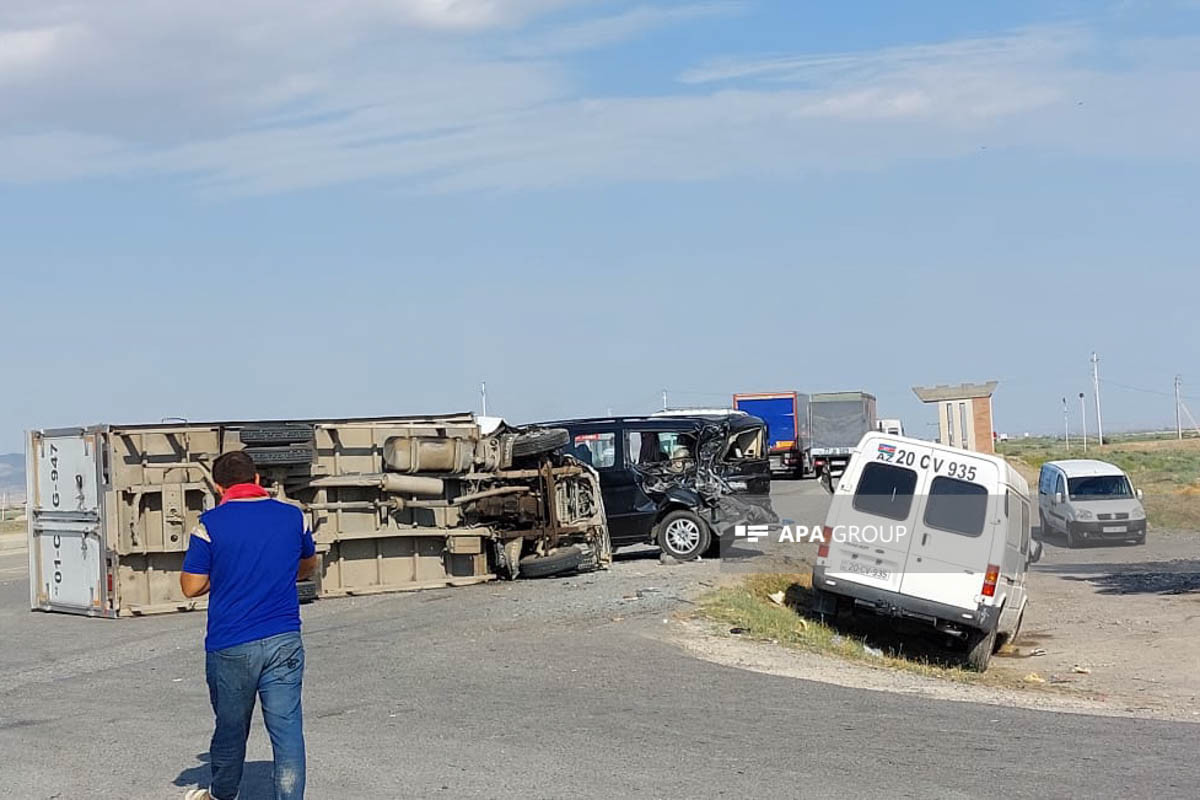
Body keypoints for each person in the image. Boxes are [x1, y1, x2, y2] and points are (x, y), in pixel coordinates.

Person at [181, 450, 318, 800]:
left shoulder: (209, 525)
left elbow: (191, 586)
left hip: (232, 643)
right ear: (257, 479)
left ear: (217, 485)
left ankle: (223, 794)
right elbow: (307, 566)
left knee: (231, 728)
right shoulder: (293, 516)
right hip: (284, 638)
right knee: (287, 730)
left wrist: (225, 576)